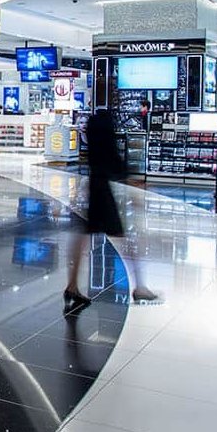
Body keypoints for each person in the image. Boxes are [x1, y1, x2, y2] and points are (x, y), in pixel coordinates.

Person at [65, 107, 159, 307]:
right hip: (103, 194)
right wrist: (130, 180)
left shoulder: (92, 132)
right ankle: (140, 287)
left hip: (95, 189)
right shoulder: (105, 130)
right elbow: (113, 161)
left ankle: (72, 285)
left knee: (83, 236)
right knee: (124, 238)